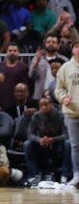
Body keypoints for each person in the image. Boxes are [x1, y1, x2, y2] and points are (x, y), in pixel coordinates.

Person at [23, 97, 69, 185]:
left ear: (51, 105)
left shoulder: (60, 116)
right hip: (42, 144)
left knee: (68, 143)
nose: (43, 107)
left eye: (45, 105)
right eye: (41, 105)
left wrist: (53, 140)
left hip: (57, 144)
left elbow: (66, 135)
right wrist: (39, 139)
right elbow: (29, 134)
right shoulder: (36, 116)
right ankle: (33, 175)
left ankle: (65, 175)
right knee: (27, 144)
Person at [54, 41, 79, 186]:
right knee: (75, 146)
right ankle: (77, 175)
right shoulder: (65, 68)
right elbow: (58, 89)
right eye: (76, 47)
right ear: (73, 50)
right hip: (71, 112)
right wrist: (63, 98)